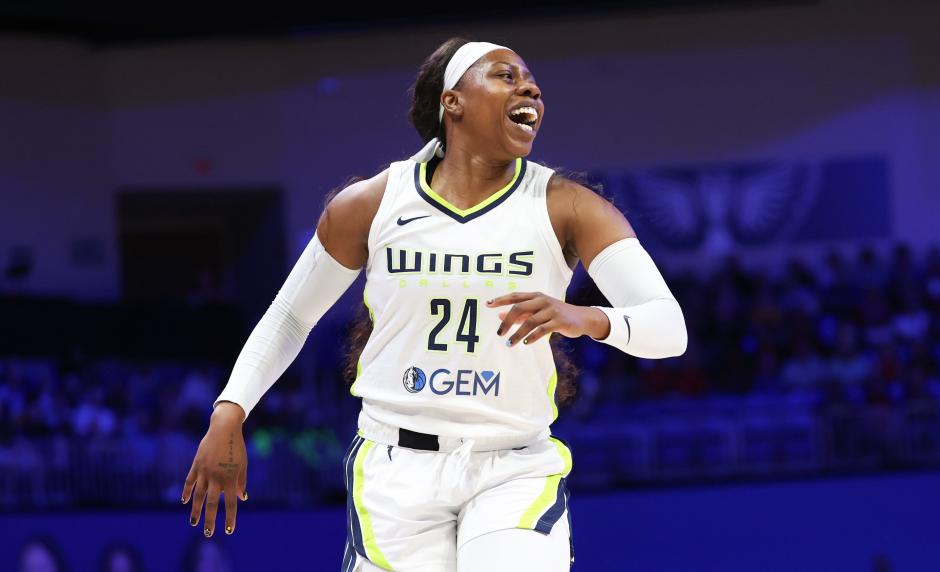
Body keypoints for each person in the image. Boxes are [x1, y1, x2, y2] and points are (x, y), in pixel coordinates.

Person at [181, 37, 688, 571]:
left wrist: (587, 317)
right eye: (505, 76)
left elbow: (669, 327)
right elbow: (290, 315)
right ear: (453, 101)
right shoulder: (372, 204)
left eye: (531, 80)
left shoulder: (567, 205)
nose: (530, 88)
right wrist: (229, 412)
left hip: (512, 463)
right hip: (396, 469)